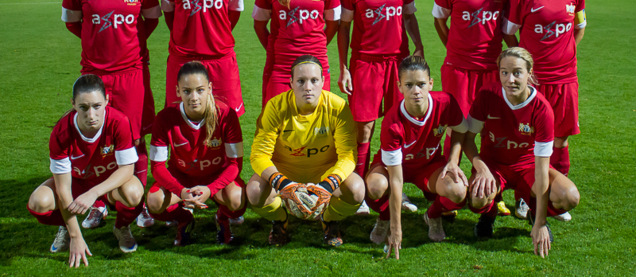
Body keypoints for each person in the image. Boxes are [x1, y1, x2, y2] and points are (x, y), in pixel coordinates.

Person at [61, 0, 161, 229]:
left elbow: (151, 20)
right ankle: (99, 203)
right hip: (94, 76)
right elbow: (73, 23)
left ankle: (138, 202)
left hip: (131, 73)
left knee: (134, 139)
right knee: (95, 138)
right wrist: (98, 45)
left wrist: (127, 47)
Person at [338, 0, 424, 214]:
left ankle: (398, 189)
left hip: (397, 64)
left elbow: (410, 17)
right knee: (365, 130)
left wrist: (419, 46)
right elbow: (344, 28)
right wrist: (344, 67)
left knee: (399, 126)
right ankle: (361, 192)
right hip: (365, 63)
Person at [432, 0, 516, 217]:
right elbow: (440, 21)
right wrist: (454, 49)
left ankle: (494, 191)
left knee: (493, 131)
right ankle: (448, 195)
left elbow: (508, 29)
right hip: (457, 69)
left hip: (493, 71)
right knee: (455, 129)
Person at [464, 48, 580, 257]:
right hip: (493, 166)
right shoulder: (487, 95)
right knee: (477, 198)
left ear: (530, 73)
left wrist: (542, 222)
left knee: (569, 197)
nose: (510, 79)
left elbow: (543, 169)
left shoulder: (542, 109)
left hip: (529, 167)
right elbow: (467, 139)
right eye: (504, 72)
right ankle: (488, 216)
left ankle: (534, 215)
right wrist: (481, 168)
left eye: (517, 72)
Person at [503, 0, 586, 222]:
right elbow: (508, 32)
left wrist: (567, 53)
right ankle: (523, 199)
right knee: (528, 141)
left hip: (565, 80)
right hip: (534, 83)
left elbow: (579, 26)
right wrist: (525, 67)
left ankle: (553, 194)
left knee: (560, 140)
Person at [27, 75, 144, 267]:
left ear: (107, 100)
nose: (91, 115)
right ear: (73, 104)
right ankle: (67, 226)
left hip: (109, 184)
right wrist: (76, 236)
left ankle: (121, 227)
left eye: (97, 106)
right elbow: (63, 189)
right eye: (84, 107)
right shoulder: (61, 132)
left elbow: (127, 169)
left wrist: (95, 193)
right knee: (39, 202)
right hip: (77, 183)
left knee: (134, 193)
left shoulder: (118, 121)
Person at [247, 55, 364, 247]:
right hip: (285, 172)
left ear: (323, 82)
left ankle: (328, 219)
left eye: (313, 80)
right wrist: (282, 183)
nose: (307, 87)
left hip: (324, 172)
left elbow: (348, 155)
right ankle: (280, 220)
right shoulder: (275, 107)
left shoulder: (338, 107)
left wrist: (328, 185)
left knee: (357, 190)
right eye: (301, 81)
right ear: (291, 83)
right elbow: (259, 154)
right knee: (254, 192)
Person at [365, 56, 469, 257]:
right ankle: (385, 218)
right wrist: (397, 228)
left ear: (431, 83)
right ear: (399, 86)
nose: (416, 91)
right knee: (376, 187)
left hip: (428, 166)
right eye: (409, 85)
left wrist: (453, 161)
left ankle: (432, 215)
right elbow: (396, 179)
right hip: (394, 168)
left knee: (458, 190)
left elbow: (460, 130)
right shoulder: (393, 121)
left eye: (421, 84)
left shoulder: (445, 102)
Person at [147, 61, 246, 246]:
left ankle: (222, 218)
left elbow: (235, 165)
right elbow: (157, 167)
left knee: (237, 201)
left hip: (216, 176)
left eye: (200, 90)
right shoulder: (165, 118)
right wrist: (181, 192)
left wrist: (211, 189)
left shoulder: (226, 114)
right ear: (177, 91)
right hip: (182, 178)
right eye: (187, 91)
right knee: (154, 202)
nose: (194, 97)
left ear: (209, 88)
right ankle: (184, 218)